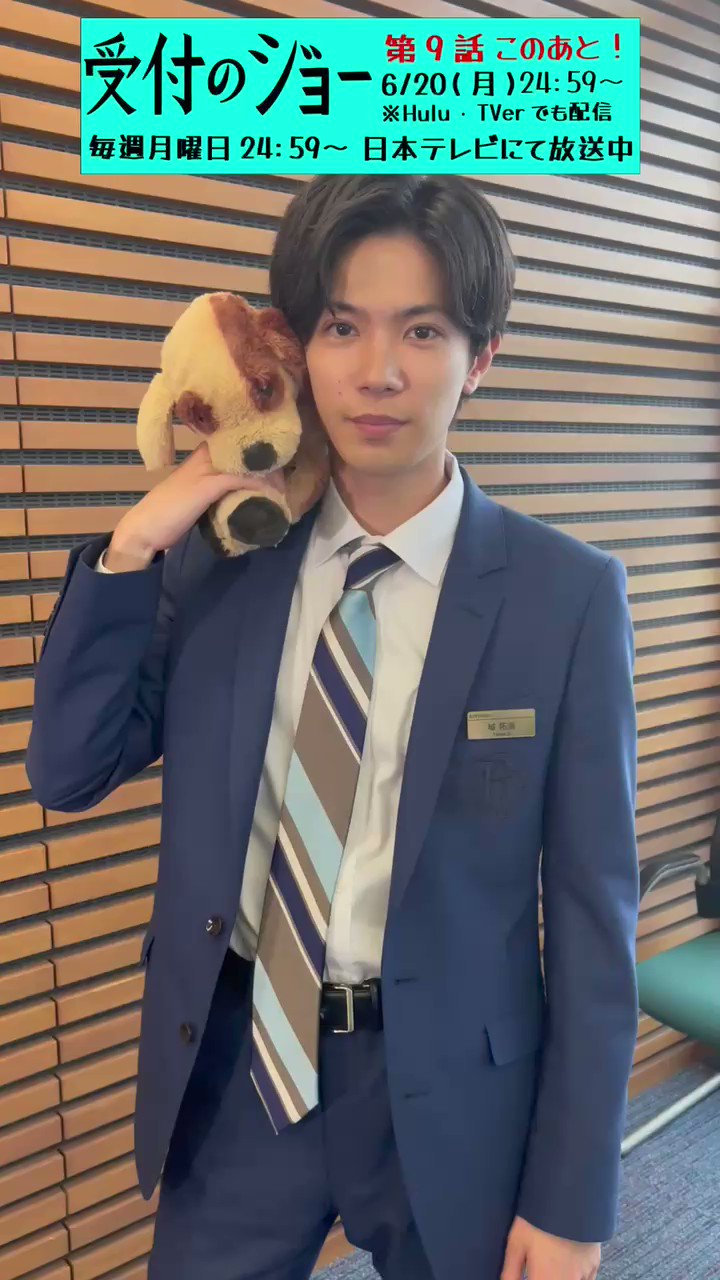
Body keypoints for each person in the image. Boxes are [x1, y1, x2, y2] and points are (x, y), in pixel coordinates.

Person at [26, 175, 639, 1280]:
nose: (378, 371)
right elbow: (69, 770)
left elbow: (598, 921)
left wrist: (572, 1198)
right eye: (342, 327)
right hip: (241, 1073)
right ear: (296, 345)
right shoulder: (226, 562)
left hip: (456, 1090)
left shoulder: (568, 596)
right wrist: (135, 543)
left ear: (481, 357)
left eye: (423, 331)